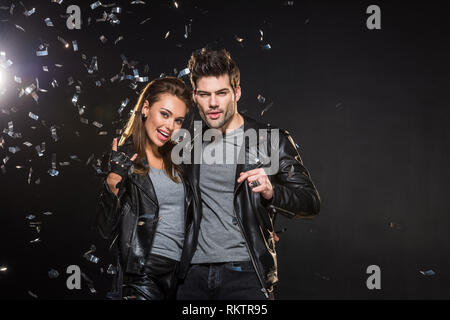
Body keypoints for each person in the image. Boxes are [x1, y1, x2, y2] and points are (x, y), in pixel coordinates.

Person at [176, 49, 321, 300]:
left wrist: (272, 192)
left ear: (237, 93)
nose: (213, 103)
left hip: (245, 272)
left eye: (221, 93)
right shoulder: (188, 145)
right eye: (205, 94)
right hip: (192, 275)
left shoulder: (270, 140)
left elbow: (310, 202)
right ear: (194, 96)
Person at [95, 77, 198, 300]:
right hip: (143, 273)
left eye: (178, 120)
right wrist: (113, 181)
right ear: (145, 109)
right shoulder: (123, 159)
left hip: (185, 274)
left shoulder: (182, 164)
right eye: (165, 114)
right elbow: (105, 230)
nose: (170, 127)